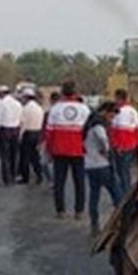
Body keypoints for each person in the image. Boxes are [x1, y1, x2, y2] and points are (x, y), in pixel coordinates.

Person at [44, 81, 91, 218]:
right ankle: (79, 211)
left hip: (59, 150)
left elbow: (49, 132)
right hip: (78, 150)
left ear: (62, 92)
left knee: (59, 182)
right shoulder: (84, 109)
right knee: (79, 182)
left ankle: (60, 211)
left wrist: (49, 150)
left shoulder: (55, 109)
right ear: (76, 92)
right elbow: (89, 130)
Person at [85, 101, 122, 237]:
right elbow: (104, 143)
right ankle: (120, 223)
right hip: (102, 165)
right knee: (117, 195)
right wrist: (108, 153)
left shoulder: (90, 122)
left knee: (94, 196)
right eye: (111, 116)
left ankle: (94, 224)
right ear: (106, 112)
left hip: (90, 165)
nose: (112, 119)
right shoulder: (98, 125)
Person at [109, 89, 138, 191]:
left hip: (121, 147)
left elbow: (116, 131)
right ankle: (127, 194)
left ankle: (123, 195)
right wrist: (135, 144)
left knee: (121, 172)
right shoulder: (133, 111)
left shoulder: (118, 112)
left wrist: (118, 146)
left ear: (119, 99)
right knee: (126, 171)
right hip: (131, 146)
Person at [0, 85, 23, 185]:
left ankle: (7, 178)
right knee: (14, 154)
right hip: (15, 130)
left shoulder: (2, 104)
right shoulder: (17, 104)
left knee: (4, 155)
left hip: (5, 130)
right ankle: (13, 175)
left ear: (2, 93)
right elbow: (20, 119)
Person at [18, 88, 45, 185]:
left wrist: (20, 136)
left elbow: (23, 123)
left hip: (28, 133)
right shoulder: (39, 108)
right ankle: (39, 175)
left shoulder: (25, 109)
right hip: (37, 133)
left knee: (25, 156)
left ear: (26, 97)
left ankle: (25, 177)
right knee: (35, 156)